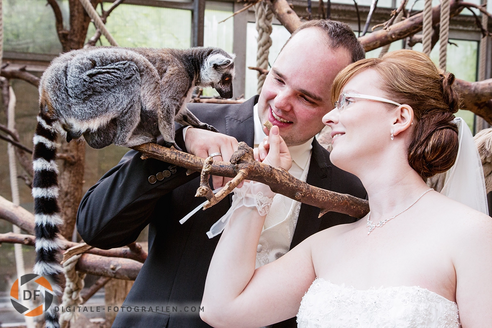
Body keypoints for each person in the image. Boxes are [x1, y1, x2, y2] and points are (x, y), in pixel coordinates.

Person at [76, 20, 367, 327]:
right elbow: (97, 228)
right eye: (278, 79)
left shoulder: (347, 189)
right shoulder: (183, 125)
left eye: (307, 98)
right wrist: (181, 150)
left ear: (337, 106)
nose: (281, 103)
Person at [200, 49, 492, 327]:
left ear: (400, 118)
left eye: (347, 102)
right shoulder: (325, 246)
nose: (328, 116)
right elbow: (221, 309)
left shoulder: (473, 234)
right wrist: (260, 188)